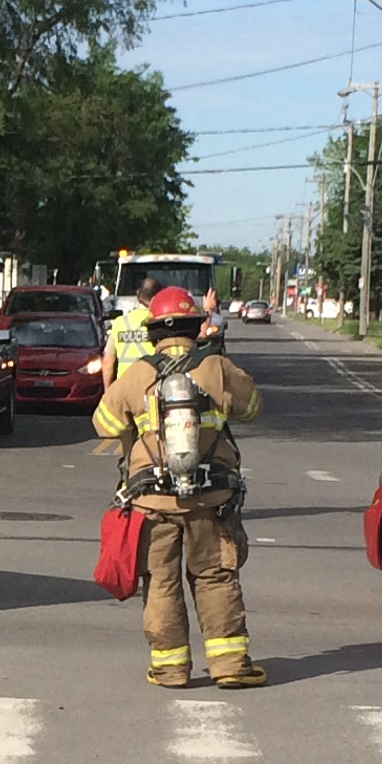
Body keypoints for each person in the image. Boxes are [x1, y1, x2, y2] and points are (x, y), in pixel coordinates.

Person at [94, 285, 264, 687]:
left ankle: (170, 669)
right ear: (195, 325)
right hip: (211, 500)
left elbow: (104, 424)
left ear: (153, 331)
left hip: (153, 501)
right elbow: (253, 407)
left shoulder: (139, 373)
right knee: (216, 576)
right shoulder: (216, 368)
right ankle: (229, 666)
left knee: (160, 581)